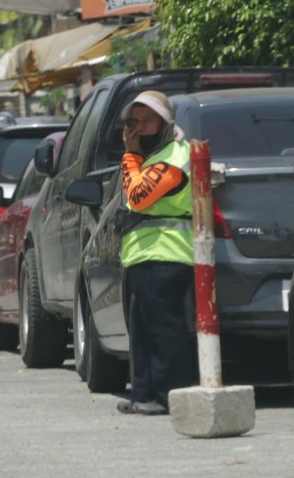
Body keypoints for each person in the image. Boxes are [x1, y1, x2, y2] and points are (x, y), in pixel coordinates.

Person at [115, 91, 196, 416]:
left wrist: (130, 155)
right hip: (144, 256)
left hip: (167, 255)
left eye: (147, 121)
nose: (138, 129)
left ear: (165, 123)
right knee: (143, 329)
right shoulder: (155, 156)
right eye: (133, 123)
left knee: (165, 330)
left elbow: (138, 196)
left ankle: (168, 396)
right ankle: (144, 393)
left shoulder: (174, 157)